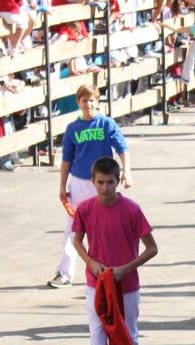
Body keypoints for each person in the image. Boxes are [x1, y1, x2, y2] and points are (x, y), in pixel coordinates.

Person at [71, 158, 158, 345]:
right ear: (93, 181)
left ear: (118, 181)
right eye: (100, 182)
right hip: (95, 284)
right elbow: (76, 239)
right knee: (97, 336)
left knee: (126, 334)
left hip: (127, 285)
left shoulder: (131, 209)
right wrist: (90, 263)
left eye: (110, 182)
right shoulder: (85, 208)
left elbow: (151, 248)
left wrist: (125, 269)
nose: (105, 187)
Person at [48, 85, 131, 289]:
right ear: (78, 102)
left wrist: (127, 171)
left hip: (102, 183)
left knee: (105, 226)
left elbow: (122, 149)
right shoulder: (72, 128)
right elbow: (67, 159)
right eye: (84, 101)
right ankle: (64, 273)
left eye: (92, 100)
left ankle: (109, 267)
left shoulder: (106, 124)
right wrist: (62, 185)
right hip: (78, 183)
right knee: (72, 228)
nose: (88, 104)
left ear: (98, 102)